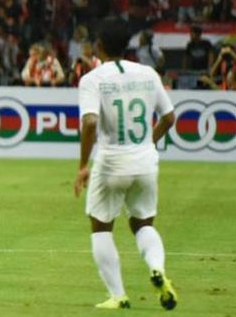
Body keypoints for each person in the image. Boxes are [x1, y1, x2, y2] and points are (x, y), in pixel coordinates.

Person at [74, 18, 178, 310]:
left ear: (99, 46)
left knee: (101, 228)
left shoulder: (93, 79)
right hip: (144, 160)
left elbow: (91, 122)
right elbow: (169, 118)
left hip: (110, 162)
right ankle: (157, 268)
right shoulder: (148, 73)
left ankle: (118, 295)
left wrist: (83, 164)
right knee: (143, 223)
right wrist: (148, 141)